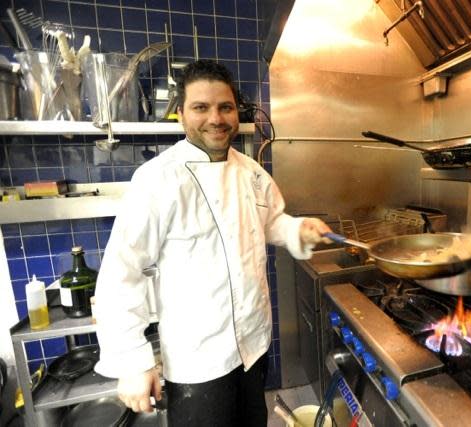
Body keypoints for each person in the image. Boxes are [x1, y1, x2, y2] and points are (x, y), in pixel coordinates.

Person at [94, 60, 332, 426]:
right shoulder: (157, 180)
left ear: (236, 111)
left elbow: (272, 222)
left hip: (254, 346)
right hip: (198, 359)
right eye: (200, 107)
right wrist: (130, 360)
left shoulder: (252, 172)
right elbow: (121, 275)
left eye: (225, 107)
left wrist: (298, 230)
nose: (215, 118)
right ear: (181, 114)